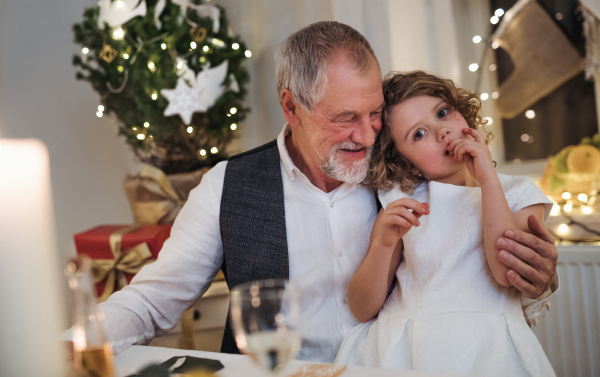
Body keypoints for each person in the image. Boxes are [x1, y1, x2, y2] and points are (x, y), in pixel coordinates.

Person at [74, 22, 558, 363]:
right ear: (291, 106)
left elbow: (466, 256)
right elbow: (154, 300)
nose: (367, 137)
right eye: (345, 118)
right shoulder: (229, 186)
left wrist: (538, 276)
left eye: (373, 114)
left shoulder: (399, 172)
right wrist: (70, 345)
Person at [335, 71, 556, 375]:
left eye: (442, 113)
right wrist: (383, 244)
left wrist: (487, 179)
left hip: (491, 347)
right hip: (406, 349)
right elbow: (361, 308)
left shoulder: (517, 192)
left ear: (462, 112)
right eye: (419, 134)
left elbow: (507, 272)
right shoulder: (401, 202)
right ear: (404, 162)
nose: (441, 132)